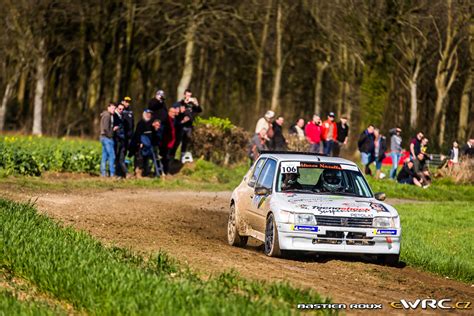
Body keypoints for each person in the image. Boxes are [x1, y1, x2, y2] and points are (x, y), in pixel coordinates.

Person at [173, 89, 203, 162]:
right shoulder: (180, 103)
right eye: (187, 95)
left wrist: (196, 104)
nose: (188, 97)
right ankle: (171, 156)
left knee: (185, 141)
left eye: (190, 95)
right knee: (177, 141)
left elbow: (199, 110)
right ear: (184, 95)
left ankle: (182, 157)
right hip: (181, 125)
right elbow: (174, 107)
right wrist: (183, 103)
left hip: (189, 126)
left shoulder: (192, 104)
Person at [129, 110, 153, 177]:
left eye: (150, 114)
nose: (149, 115)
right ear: (144, 114)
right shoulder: (141, 123)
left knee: (146, 159)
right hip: (140, 144)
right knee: (139, 159)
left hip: (148, 145)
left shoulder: (151, 123)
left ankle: (145, 172)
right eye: (147, 114)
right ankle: (138, 173)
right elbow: (138, 134)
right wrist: (140, 142)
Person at [99, 102, 117, 177]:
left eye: (114, 108)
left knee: (104, 156)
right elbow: (106, 128)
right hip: (107, 138)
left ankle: (103, 174)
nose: (114, 110)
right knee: (112, 156)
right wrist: (112, 133)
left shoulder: (107, 115)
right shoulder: (107, 116)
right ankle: (112, 174)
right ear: (108, 108)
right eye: (112, 108)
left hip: (103, 137)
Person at [160, 107, 178, 174]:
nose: (174, 114)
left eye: (175, 112)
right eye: (173, 112)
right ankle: (163, 171)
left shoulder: (174, 120)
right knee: (165, 157)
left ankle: (166, 171)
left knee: (168, 157)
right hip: (165, 142)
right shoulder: (166, 120)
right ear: (169, 112)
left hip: (171, 143)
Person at [113, 103, 128, 178]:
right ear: (116, 108)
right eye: (120, 109)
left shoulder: (122, 117)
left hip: (122, 140)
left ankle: (123, 174)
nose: (121, 110)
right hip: (116, 140)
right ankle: (116, 173)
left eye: (122, 109)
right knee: (116, 157)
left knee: (121, 158)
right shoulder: (114, 116)